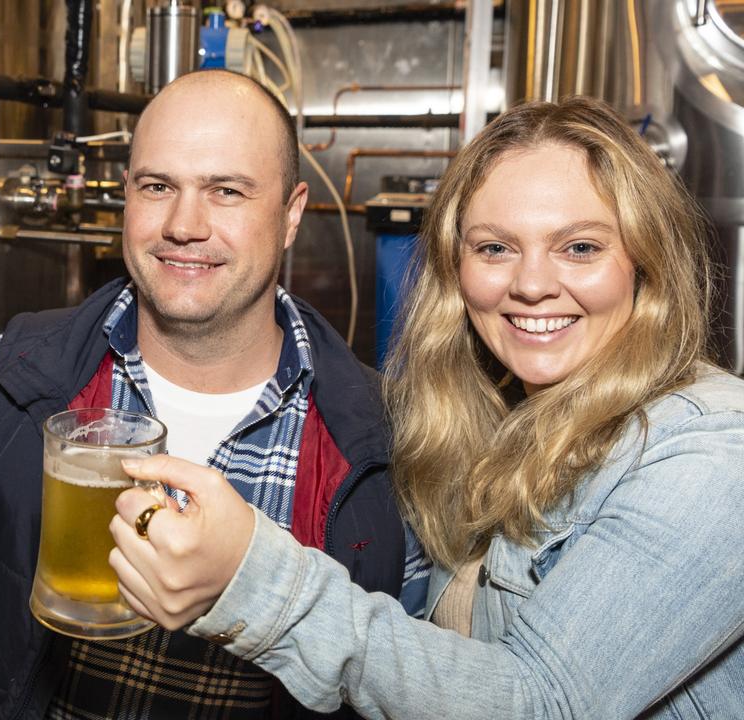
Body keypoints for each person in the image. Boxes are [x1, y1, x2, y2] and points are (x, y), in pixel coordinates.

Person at [109, 95, 744, 718]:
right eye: (495, 247)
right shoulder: (477, 431)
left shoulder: (712, 452)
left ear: (645, 260)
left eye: (580, 247)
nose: (530, 284)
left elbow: (542, 702)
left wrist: (255, 576)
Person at [0, 68, 425, 719]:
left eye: (226, 191)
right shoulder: (29, 367)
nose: (183, 225)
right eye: (157, 186)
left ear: (291, 215)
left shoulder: (381, 432)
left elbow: (410, 675)